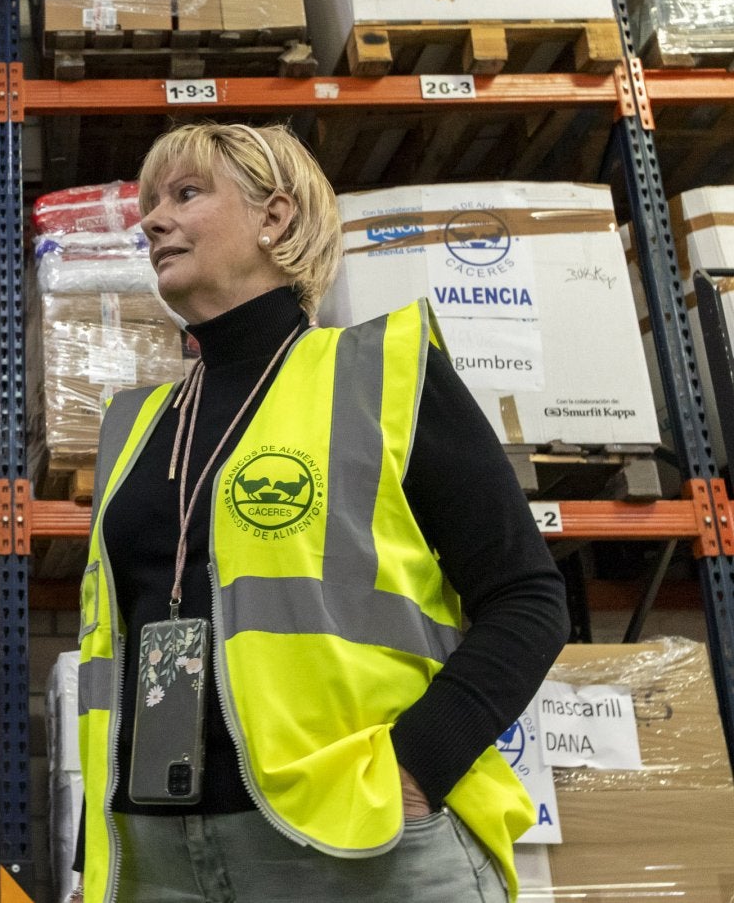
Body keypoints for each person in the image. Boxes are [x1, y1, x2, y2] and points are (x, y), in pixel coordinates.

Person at [72, 122, 568, 903]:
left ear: (274, 219)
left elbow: (528, 599)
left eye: (186, 194)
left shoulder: (380, 373)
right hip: (160, 857)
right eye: (148, 201)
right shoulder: (135, 425)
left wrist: (415, 768)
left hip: (358, 846)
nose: (151, 219)